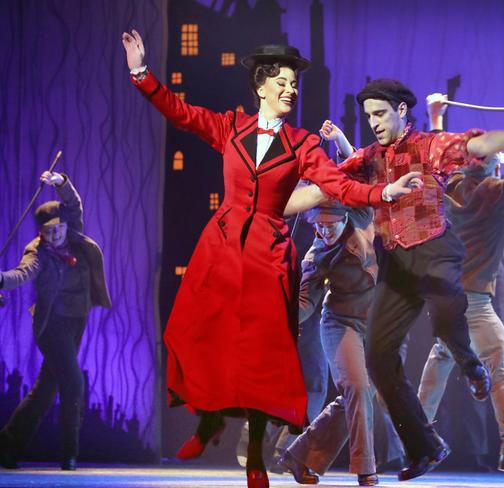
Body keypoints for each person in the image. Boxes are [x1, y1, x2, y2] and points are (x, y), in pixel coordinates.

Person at [121, 32, 420, 488]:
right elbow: (180, 113)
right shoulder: (231, 127)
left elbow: (338, 187)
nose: (290, 90)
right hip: (221, 246)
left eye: (294, 84)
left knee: (264, 354)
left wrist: (383, 192)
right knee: (198, 331)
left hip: (268, 252)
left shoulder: (301, 144)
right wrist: (141, 74)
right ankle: (208, 422)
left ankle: (256, 454)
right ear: (260, 87)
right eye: (281, 82)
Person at [333, 79, 504, 481]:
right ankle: (443, 445)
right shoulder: (483, 191)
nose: (374, 123)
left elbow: (455, 146)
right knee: (391, 359)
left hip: (440, 269)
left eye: (380, 114)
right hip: (424, 277)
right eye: (369, 117)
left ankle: (464, 396)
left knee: (445, 335)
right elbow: (337, 180)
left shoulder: (468, 187)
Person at [416, 103, 504, 476]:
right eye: (499, 161)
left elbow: (435, 160)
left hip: (446, 298)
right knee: (503, 366)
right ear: (492, 165)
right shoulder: (495, 193)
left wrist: (435, 120)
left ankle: (415, 438)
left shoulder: (450, 190)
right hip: (474, 302)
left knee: (441, 360)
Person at [278, 198, 405, 486]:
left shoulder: (367, 221)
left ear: (345, 217)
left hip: (377, 328)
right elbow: (305, 302)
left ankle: (299, 456)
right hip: (340, 324)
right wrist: (280, 321)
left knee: (357, 396)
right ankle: (365, 468)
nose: (324, 231)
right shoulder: (318, 253)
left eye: (330, 224)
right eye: (318, 226)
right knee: (357, 388)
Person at [0, 171, 111, 471]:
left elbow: (73, 204)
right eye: (49, 232)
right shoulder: (37, 253)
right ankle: (69, 455)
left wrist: (61, 182)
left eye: (59, 229)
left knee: (45, 390)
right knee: (74, 384)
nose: (56, 235)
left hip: (76, 321)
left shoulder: (73, 234)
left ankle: (6, 448)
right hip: (51, 326)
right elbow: (21, 274)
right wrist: (0, 279)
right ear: (41, 233)